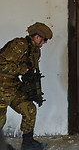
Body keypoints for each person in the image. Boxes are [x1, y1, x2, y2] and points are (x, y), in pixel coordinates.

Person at [0, 22, 52, 150]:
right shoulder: (19, 44)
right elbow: (2, 64)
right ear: (37, 37)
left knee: (29, 109)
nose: (45, 43)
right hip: (1, 86)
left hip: (14, 86)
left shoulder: (35, 52)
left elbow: (28, 73)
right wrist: (24, 70)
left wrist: (32, 88)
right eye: (44, 39)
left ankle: (28, 143)